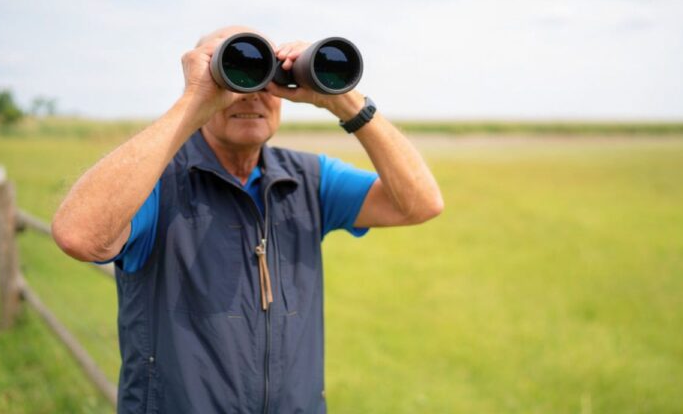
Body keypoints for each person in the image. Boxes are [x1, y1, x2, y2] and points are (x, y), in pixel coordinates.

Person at [51, 25, 443, 413]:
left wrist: (346, 101)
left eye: (267, 74)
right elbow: (78, 235)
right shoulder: (157, 183)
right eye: (233, 71)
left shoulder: (307, 180)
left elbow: (420, 203)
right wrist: (194, 103)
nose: (251, 93)